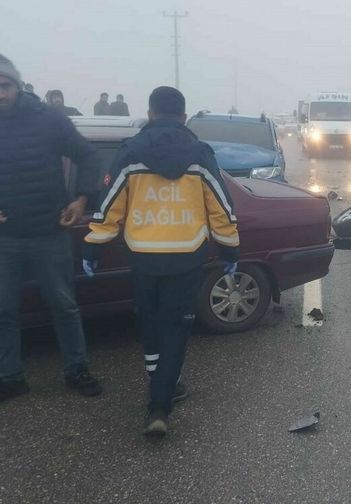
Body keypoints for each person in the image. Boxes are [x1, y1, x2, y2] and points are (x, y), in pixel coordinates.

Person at [0, 51, 103, 409]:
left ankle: (77, 371)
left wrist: (81, 199)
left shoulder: (48, 118)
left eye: (5, 85)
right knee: (1, 312)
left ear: (17, 84)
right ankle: (11, 379)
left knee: (64, 307)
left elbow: (88, 156)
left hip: (49, 233)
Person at [83, 86, 240, 437]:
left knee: (150, 325)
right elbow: (221, 207)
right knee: (176, 329)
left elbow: (109, 206)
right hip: (186, 259)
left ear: (150, 114)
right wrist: (229, 250)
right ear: (183, 117)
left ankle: (159, 386)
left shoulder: (130, 153)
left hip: (143, 258)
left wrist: (93, 247)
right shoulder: (200, 155)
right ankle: (160, 405)